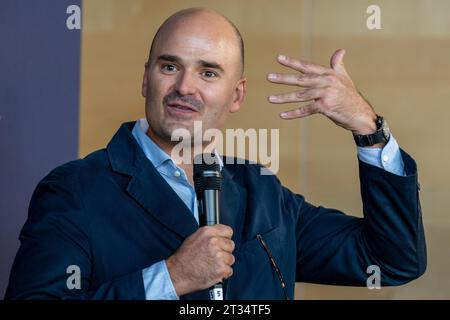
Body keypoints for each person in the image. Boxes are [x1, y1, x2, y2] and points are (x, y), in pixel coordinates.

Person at [5, 8, 426, 300]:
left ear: (237, 94)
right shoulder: (75, 191)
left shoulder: (264, 193)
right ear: (146, 79)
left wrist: (369, 129)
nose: (185, 87)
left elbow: (390, 260)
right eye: (169, 67)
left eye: (208, 72)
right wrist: (170, 278)